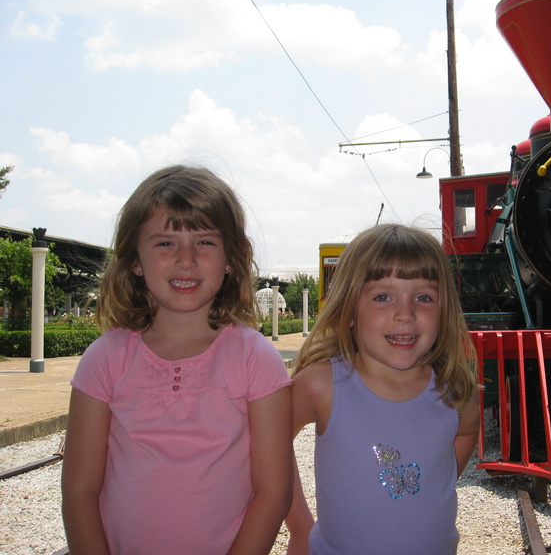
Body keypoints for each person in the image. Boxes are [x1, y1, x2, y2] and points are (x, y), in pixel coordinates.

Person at [61, 164, 293, 555]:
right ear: (135, 259)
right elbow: (79, 490)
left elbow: (273, 491)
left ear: (231, 258)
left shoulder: (256, 360)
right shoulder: (104, 359)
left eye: (205, 242)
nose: (186, 259)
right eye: (165, 243)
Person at [285, 223, 481, 555]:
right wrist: (300, 525)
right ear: (348, 309)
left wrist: (434, 479)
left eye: (424, 297)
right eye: (382, 296)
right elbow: (267, 447)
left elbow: (464, 434)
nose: (405, 314)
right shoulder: (322, 385)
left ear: (444, 310)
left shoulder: (457, 392)